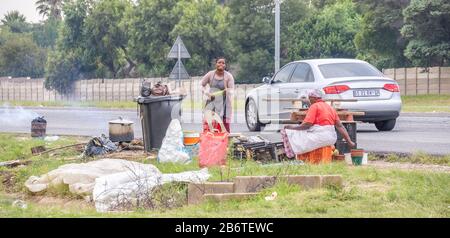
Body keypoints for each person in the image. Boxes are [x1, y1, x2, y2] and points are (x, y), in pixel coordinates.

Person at [282, 89, 355, 157]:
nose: (309, 100)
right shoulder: (330, 108)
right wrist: (349, 141)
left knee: (287, 132)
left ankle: (290, 155)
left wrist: (291, 127)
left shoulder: (314, 106)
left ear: (314, 98)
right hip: (331, 139)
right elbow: (340, 126)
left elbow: (307, 125)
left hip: (319, 137)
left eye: (310, 98)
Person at [201, 57, 235, 132]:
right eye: (219, 62)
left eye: (223, 63)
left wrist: (227, 90)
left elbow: (231, 89)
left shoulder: (228, 76)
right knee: (209, 123)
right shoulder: (210, 74)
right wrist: (206, 93)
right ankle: (209, 140)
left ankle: (226, 141)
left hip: (225, 103)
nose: (221, 64)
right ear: (216, 64)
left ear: (225, 65)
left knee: (225, 124)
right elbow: (202, 85)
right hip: (211, 102)